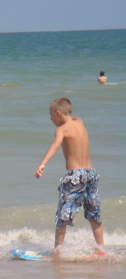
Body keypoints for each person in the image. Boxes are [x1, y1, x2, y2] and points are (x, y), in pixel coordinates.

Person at [35, 97, 104, 258]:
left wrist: (43, 163)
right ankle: (101, 250)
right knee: (94, 214)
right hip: (91, 174)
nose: (50, 119)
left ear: (58, 113)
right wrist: (66, 114)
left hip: (75, 176)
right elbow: (72, 116)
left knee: (63, 216)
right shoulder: (80, 122)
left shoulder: (61, 130)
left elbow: (55, 145)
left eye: (51, 115)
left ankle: (57, 253)